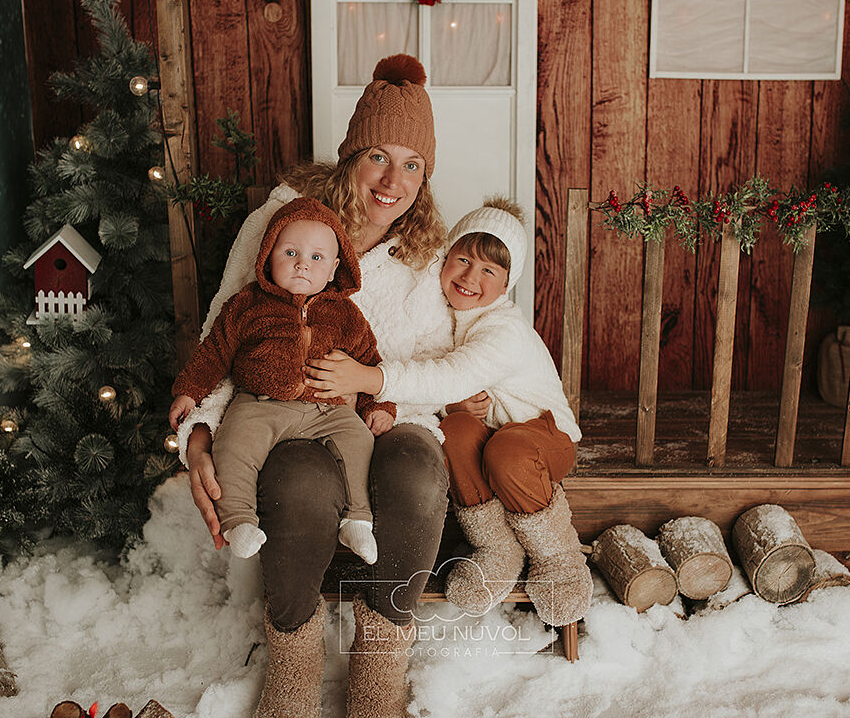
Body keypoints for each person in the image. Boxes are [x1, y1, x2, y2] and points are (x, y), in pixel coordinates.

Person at [176, 54, 453, 718]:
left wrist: (374, 382)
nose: (393, 181)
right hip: (279, 413)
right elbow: (226, 332)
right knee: (300, 484)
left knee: (417, 472)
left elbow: (442, 364)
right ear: (349, 157)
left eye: (412, 164)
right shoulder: (281, 225)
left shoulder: (425, 255)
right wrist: (199, 435)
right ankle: (294, 661)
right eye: (378, 158)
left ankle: (380, 666)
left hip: (384, 413)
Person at [304, 197, 593, 627]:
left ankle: (559, 559)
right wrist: (447, 405)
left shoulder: (504, 330)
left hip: (543, 439)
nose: (469, 277)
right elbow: (444, 387)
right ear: (446, 256)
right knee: (453, 431)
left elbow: (451, 374)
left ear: (508, 283)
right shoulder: (446, 311)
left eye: (489, 271)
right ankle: (498, 548)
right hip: (493, 440)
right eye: (462, 259)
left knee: (508, 450)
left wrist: (367, 379)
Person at [169, 197, 394, 564]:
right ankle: (238, 520)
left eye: (317, 258)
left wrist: (378, 405)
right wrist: (189, 392)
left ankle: (357, 519)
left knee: (358, 442)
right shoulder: (247, 304)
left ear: (335, 267)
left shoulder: (346, 315)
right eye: (290, 252)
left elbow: (369, 361)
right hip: (261, 404)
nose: (303, 263)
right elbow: (214, 352)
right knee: (234, 445)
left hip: (327, 407)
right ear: (267, 256)